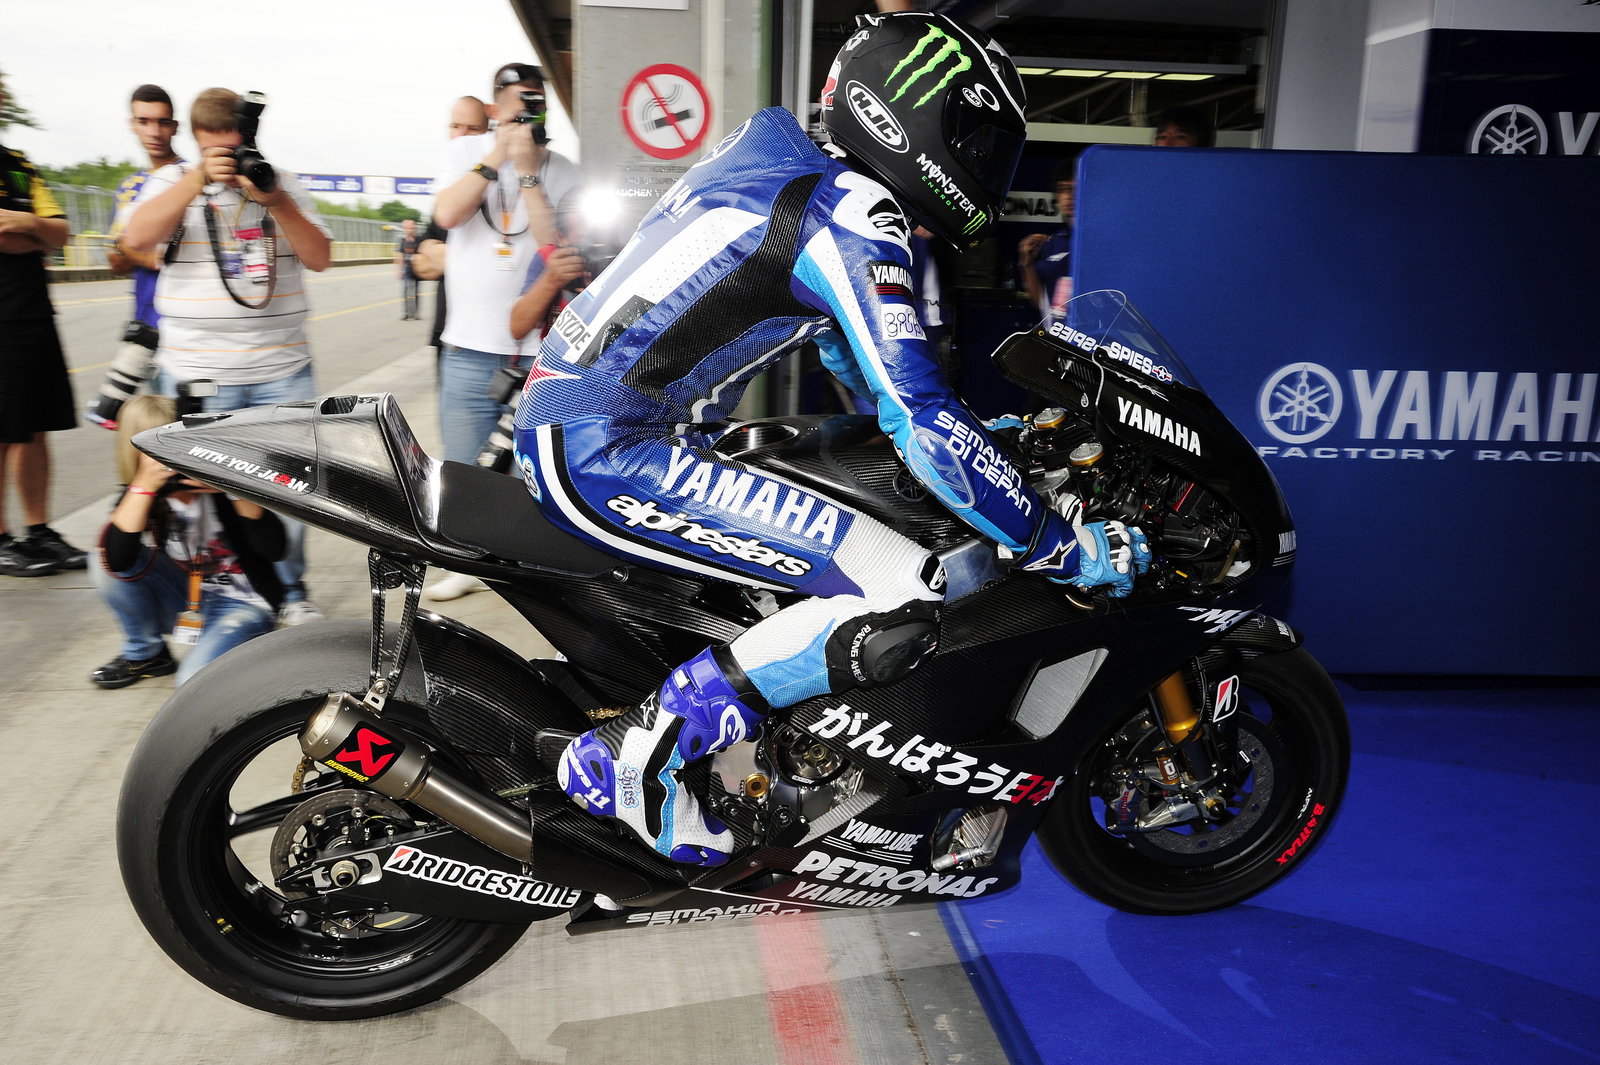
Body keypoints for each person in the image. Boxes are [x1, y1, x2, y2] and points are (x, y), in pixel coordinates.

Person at [513, 12, 1150, 867]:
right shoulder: (851, 208)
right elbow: (917, 413)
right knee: (903, 595)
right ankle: (635, 754)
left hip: (597, 423)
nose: (986, 165)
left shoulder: (785, 161)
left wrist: (952, 441)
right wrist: (1054, 543)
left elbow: (856, 357)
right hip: (603, 447)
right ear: (921, 116)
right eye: (980, 139)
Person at [120, 87, 331, 625]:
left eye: (238, 148)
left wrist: (276, 200)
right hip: (198, 372)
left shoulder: (277, 181)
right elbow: (134, 239)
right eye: (221, 150)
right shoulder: (173, 181)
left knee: (287, 494)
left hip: (280, 371)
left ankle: (290, 594)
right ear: (198, 142)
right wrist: (196, 181)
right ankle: (219, 592)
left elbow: (320, 257)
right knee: (198, 491)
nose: (233, 160)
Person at [423, 64, 582, 603]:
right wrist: (495, 157)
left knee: (536, 474)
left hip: (542, 349)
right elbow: (447, 213)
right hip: (468, 345)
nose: (528, 113)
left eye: (537, 103)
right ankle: (468, 562)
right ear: (495, 108)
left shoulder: (563, 170)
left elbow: (556, 249)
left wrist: (529, 171)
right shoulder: (462, 154)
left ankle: (530, 567)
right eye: (519, 102)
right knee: (466, 467)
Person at [90, 394, 284, 688]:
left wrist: (231, 485)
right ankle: (147, 654)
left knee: (191, 683)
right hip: (186, 598)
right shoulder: (144, 493)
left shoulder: (221, 481)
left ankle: (245, 643)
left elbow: (276, 549)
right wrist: (143, 487)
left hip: (242, 602)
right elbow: (117, 561)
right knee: (100, 556)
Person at [0, 93, 86, 577]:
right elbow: (4, 236)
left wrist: (29, 225)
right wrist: (35, 231)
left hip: (32, 309)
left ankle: (37, 532)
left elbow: (61, 231)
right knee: (2, 431)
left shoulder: (17, 164)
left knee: (35, 427)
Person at [88, 84, 183, 430]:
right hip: (143, 324)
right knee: (146, 431)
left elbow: (165, 257)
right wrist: (132, 250)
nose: (154, 131)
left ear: (175, 127)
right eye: (144, 121)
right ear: (132, 124)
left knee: (184, 433)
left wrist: (132, 247)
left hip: (184, 329)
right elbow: (117, 262)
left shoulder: (188, 178)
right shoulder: (129, 187)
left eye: (161, 122)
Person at [1016, 161, 1075, 323]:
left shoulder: (1100, 242)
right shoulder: (1053, 244)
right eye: (1064, 189)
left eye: (1075, 188)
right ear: (1056, 196)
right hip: (1056, 339)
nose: (1070, 196)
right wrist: (1027, 264)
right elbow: (1039, 302)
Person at [394, 218, 421, 319]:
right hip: (407, 268)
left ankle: (416, 313)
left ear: (414, 228)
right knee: (405, 290)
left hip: (417, 269)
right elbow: (400, 255)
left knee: (416, 291)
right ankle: (406, 313)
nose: (409, 229)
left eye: (411, 227)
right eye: (407, 227)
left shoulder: (419, 240)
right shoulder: (403, 241)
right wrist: (399, 269)